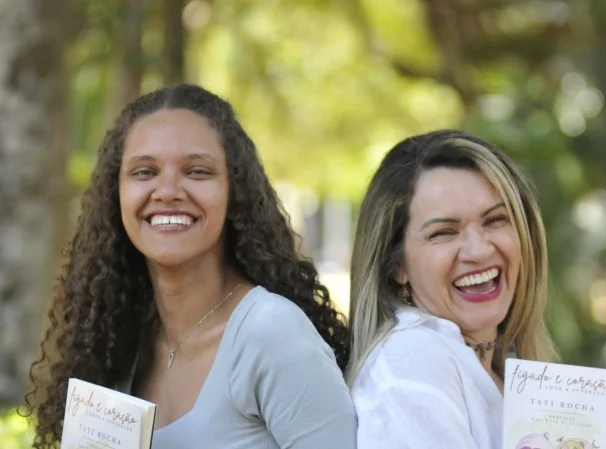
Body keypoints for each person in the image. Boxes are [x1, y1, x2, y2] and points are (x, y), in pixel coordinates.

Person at [24, 84, 357, 449]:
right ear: (115, 193)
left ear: (234, 192)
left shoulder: (272, 334)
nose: (168, 191)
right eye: (144, 172)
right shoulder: (115, 341)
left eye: (197, 171)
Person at [346, 130, 557, 449]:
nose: (479, 250)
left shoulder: (501, 368)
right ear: (397, 265)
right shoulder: (412, 361)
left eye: (495, 220)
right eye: (444, 232)